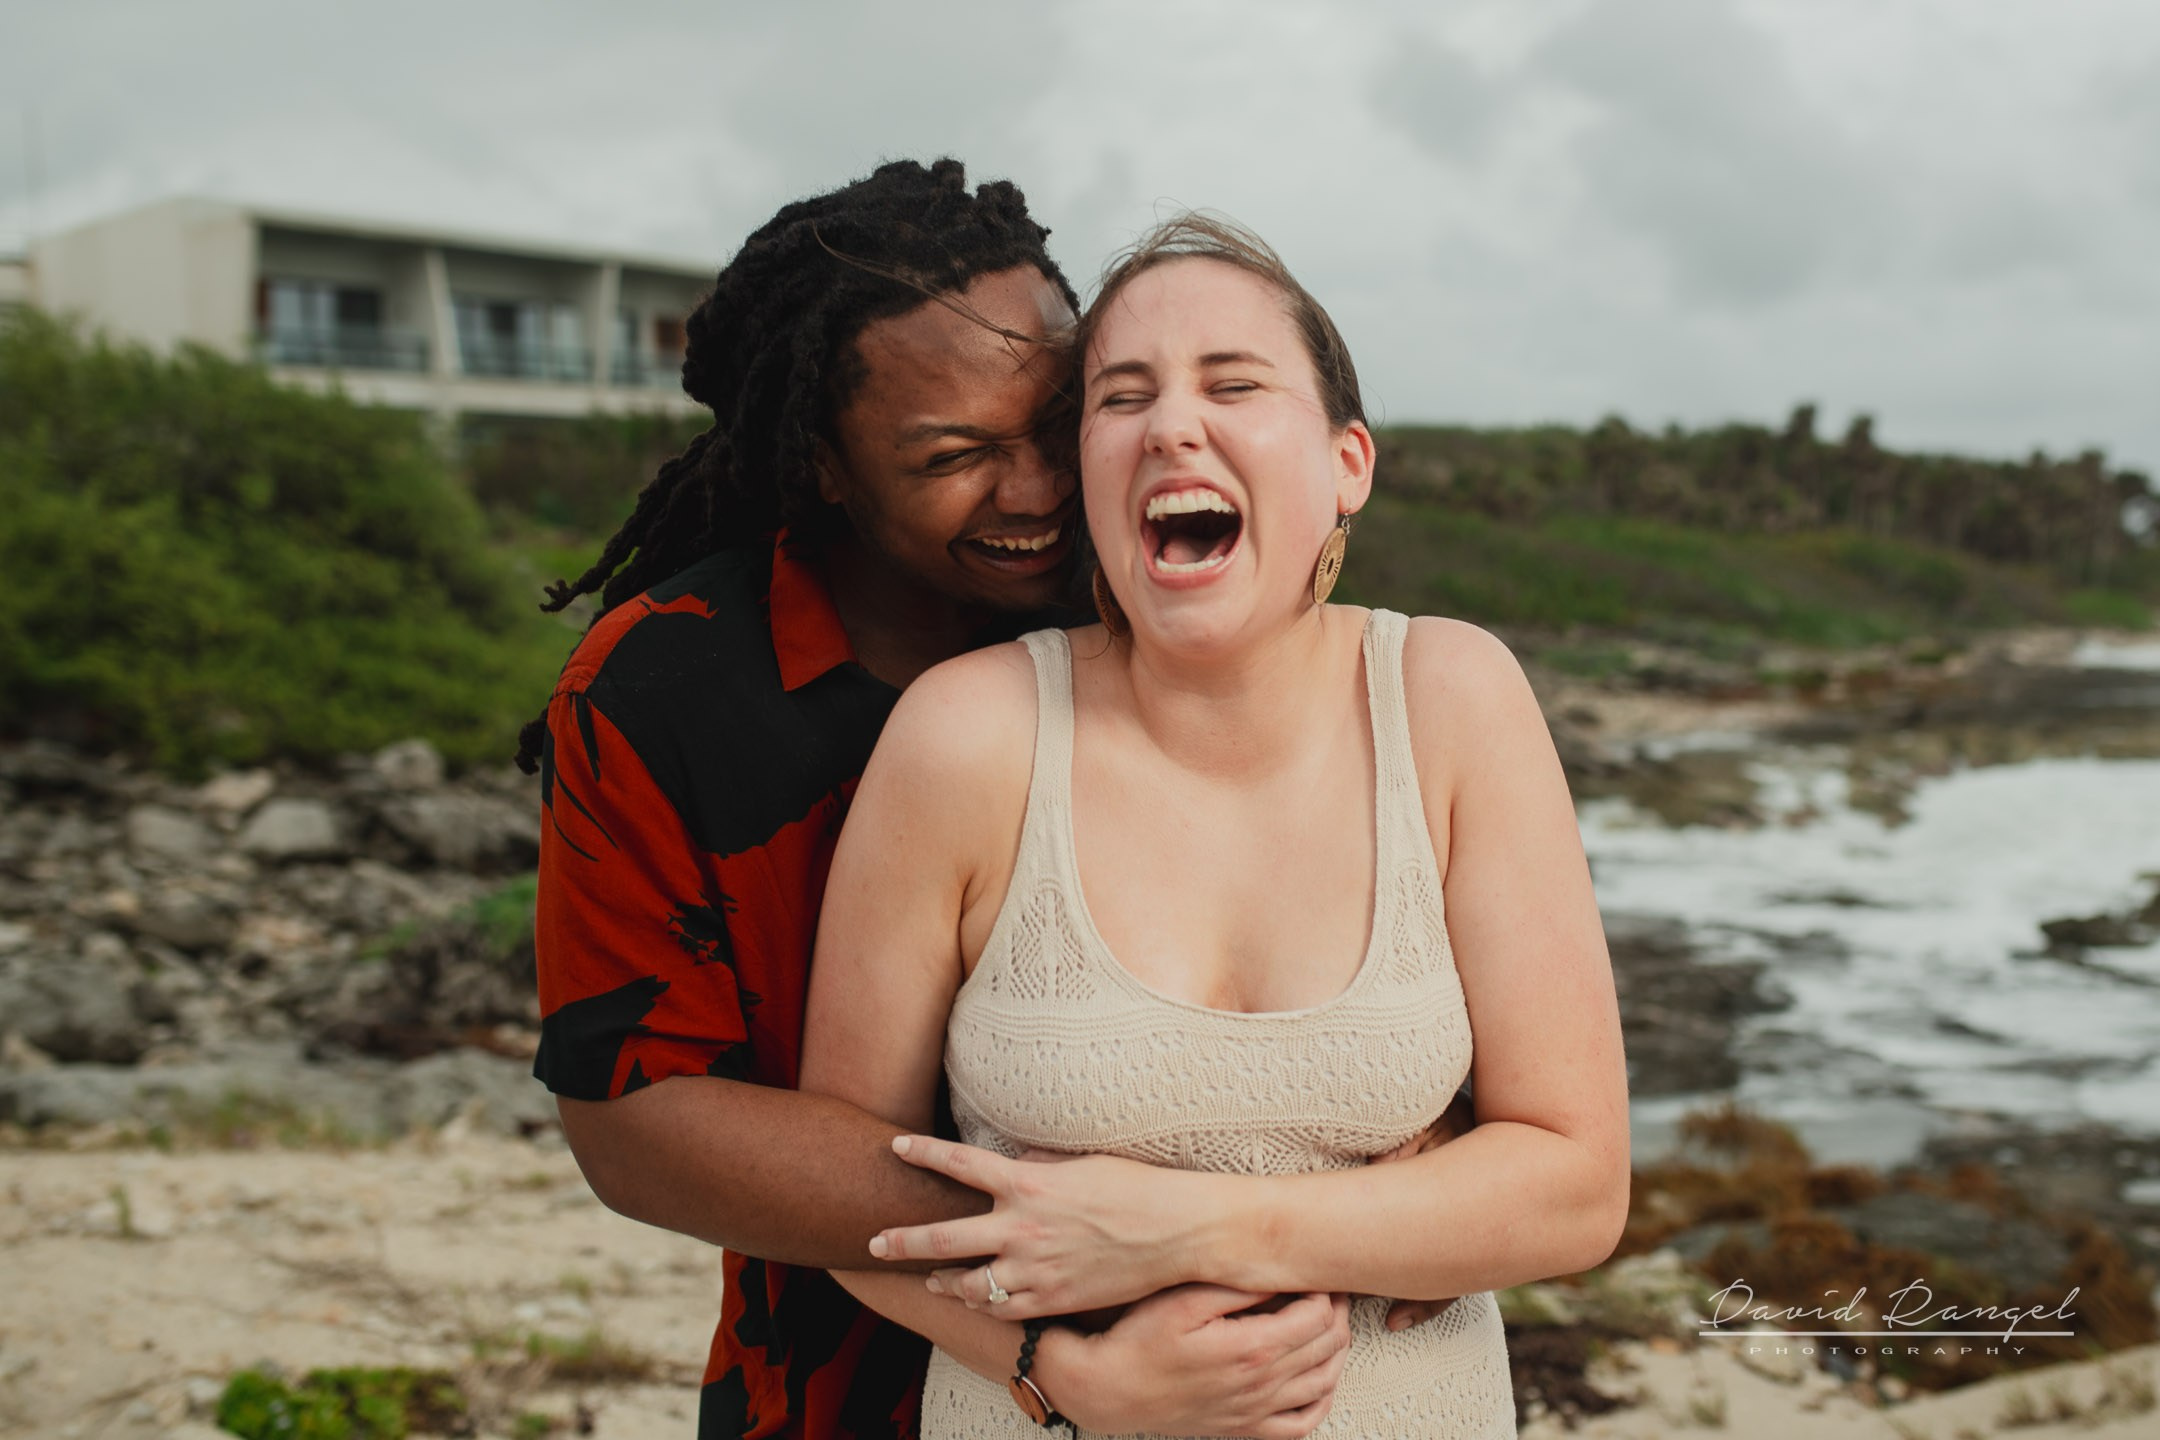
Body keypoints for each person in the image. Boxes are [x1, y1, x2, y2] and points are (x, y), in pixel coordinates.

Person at [526, 162, 1456, 1440]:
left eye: (1056, 424)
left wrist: (1404, 1131)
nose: (1036, 492)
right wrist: (1098, 1280)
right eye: (956, 457)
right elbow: (632, 1120)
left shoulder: (1157, 589)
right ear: (825, 465)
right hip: (845, 1383)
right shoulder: (663, 687)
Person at [798, 215, 1631, 1436]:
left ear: (1348, 462)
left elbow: (1577, 1186)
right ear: (1086, 473)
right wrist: (1055, 1372)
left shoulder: (1453, 699)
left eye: (1234, 384)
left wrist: (1200, 1228)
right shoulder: (967, 736)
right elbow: (846, 1199)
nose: (1172, 425)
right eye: (1119, 397)